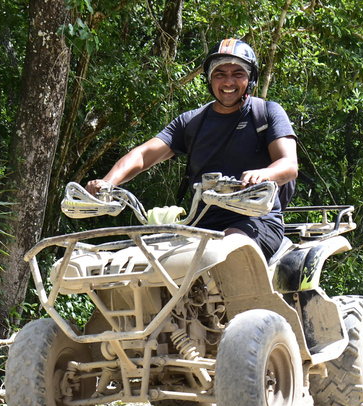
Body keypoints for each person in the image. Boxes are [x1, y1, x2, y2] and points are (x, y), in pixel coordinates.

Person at [86, 38, 298, 260]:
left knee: (224, 254)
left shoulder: (266, 113)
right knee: (137, 263)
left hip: (256, 222)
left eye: (238, 73)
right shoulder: (192, 122)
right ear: (209, 79)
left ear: (250, 79)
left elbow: (289, 165)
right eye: (220, 74)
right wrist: (108, 183)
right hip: (200, 227)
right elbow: (142, 155)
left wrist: (264, 174)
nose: (228, 81)